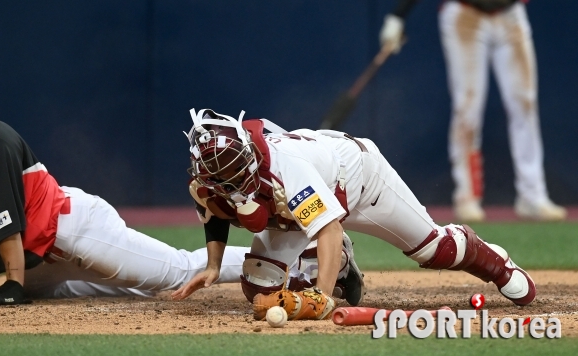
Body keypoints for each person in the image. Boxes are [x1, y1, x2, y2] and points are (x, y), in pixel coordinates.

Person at [0, 58, 250, 305]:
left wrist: (13, 285)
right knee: (126, 290)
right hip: (42, 261)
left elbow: (7, 221)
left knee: (178, 271)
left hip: (74, 229)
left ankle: (277, 262)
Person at [172, 108, 535, 321]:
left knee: (436, 251)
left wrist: (322, 297)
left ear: (249, 150)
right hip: (295, 209)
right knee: (260, 285)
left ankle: (497, 263)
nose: (231, 179)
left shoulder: (286, 170)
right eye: (222, 176)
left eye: (235, 169)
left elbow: (327, 228)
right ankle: (341, 263)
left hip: (359, 180)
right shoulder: (208, 182)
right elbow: (214, 213)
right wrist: (214, 265)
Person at [379, 0, 566, 222]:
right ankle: (466, 197)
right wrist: (399, 15)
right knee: (467, 107)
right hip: (465, 11)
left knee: (525, 104)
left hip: (510, 12)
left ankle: (533, 196)